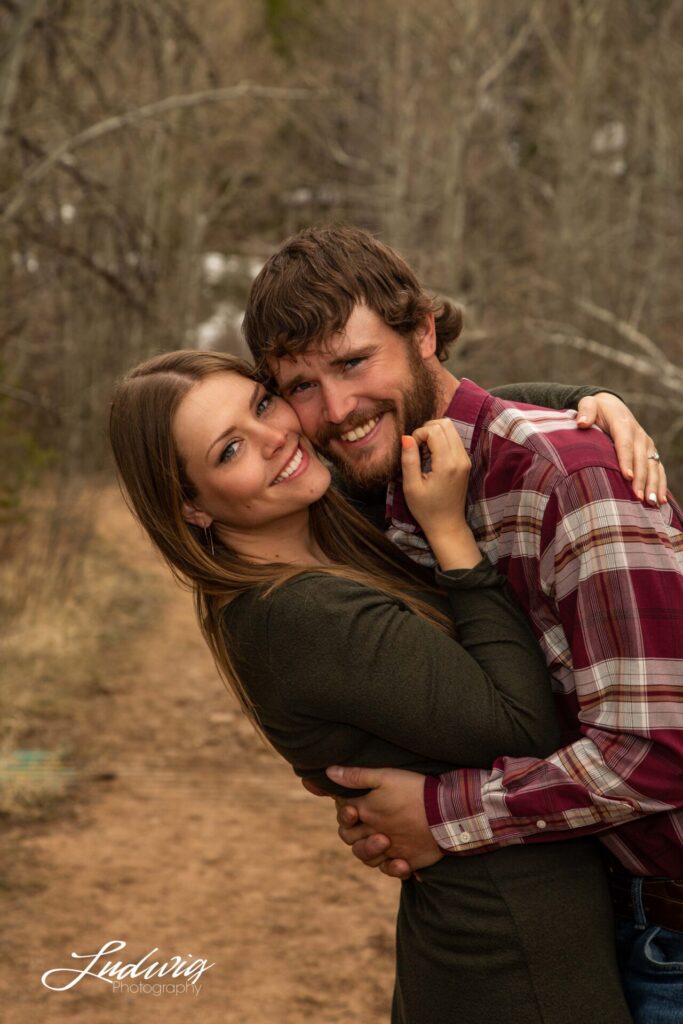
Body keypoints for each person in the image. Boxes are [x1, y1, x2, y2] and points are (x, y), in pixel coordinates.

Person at [109, 350, 634, 1023]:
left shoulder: (331, 523)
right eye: (231, 448)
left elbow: (442, 416)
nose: (276, 437)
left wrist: (588, 399)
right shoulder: (296, 614)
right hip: (512, 964)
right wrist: (449, 536)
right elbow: (521, 729)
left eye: (263, 403)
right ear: (191, 507)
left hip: (534, 933)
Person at [242, 226, 683, 1024]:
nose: (336, 409)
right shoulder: (384, 495)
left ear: (422, 332)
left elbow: (656, 756)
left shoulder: (572, 480)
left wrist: (442, 815)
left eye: (352, 361)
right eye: (301, 385)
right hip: (597, 917)